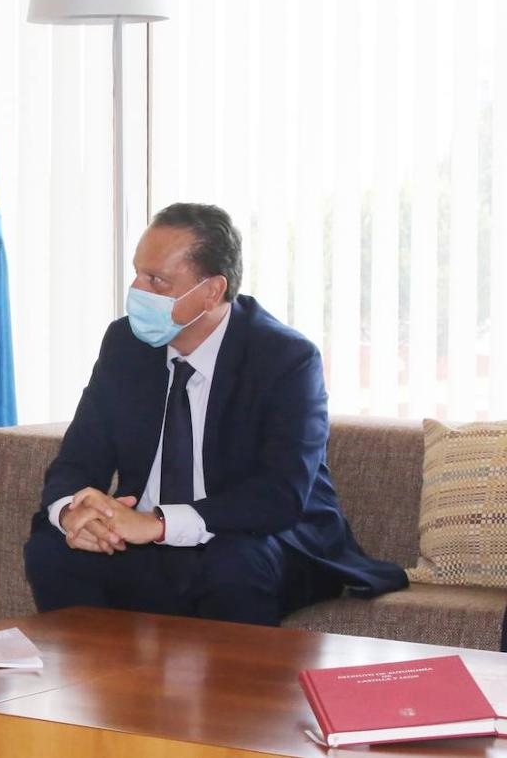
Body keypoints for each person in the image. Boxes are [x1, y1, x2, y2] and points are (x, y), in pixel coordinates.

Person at [23, 202, 407, 627]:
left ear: (211, 292)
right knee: (51, 548)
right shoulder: (124, 345)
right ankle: (99, 687)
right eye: (137, 273)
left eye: (156, 280)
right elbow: (78, 458)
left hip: (262, 541)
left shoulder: (284, 358)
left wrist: (158, 524)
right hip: (151, 541)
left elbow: (279, 495)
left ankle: (237, 694)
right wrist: (74, 514)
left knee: (233, 563)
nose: (136, 289)